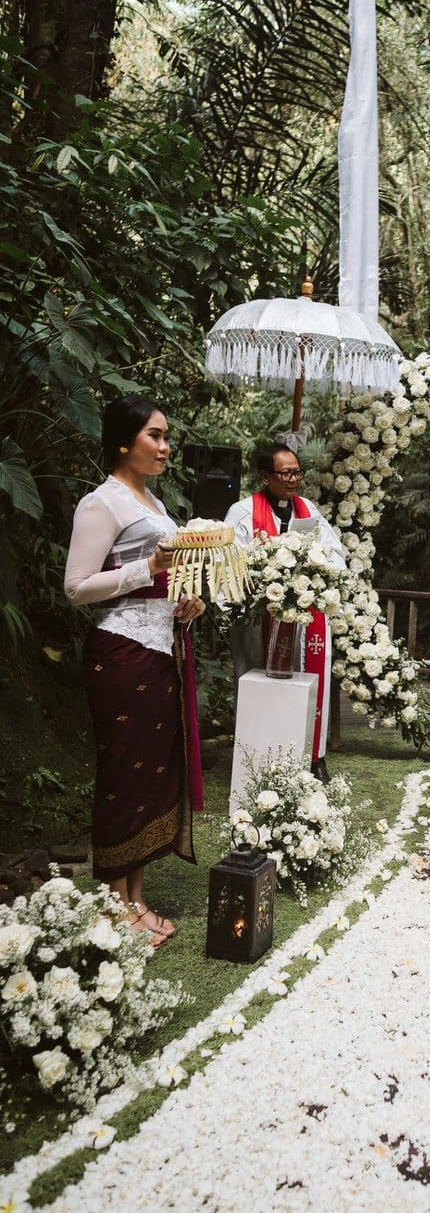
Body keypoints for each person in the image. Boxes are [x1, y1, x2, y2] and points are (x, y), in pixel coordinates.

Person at [64, 396, 205, 947]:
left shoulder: (154, 503)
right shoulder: (102, 504)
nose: (165, 446)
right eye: (155, 435)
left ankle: (136, 899)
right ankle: (112, 904)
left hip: (163, 646)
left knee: (152, 774)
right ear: (124, 440)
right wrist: (144, 568)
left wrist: (186, 601)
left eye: (167, 436)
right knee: (124, 774)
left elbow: (164, 579)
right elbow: (77, 588)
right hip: (121, 651)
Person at [225, 442, 347, 781]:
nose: (293, 479)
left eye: (297, 472)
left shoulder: (308, 509)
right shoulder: (243, 512)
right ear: (265, 476)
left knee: (302, 683)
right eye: (286, 473)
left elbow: (334, 552)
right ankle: (257, 754)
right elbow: (231, 562)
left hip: (303, 618)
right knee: (257, 680)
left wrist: (318, 573)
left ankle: (311, 756)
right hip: (258, 617)